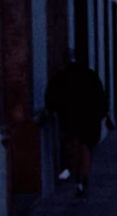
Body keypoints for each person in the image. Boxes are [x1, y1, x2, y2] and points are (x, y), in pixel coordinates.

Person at [45, 54, 109, 197]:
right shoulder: (91, 76)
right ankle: (82, 179)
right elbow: (100, 96)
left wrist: (52, 110)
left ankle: (76, 176)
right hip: (88, 118)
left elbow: (52, 96)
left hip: (69, 118)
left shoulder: (61, 77)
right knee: (85, 147)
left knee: (72, 147)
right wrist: (102, 114)